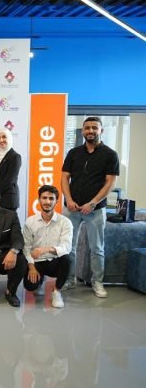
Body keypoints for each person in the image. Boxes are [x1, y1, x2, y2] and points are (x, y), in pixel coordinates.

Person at [61, 116, 119, 298]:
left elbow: (110, 183)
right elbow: (64, 177)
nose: (90, 131)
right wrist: (68, 199)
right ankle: (69, 279)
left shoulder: (110, 155)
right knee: (68, 247)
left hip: (96, 210)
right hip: (72, 208)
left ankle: (97, 282)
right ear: (83, 131)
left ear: (101, 130)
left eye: (94, 127)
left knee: (97, 248)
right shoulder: (73, 153)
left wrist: (93, 203)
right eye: (87, 128)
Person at [23, 185, 73, 308]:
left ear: (57, 201)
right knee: (30, 286)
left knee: (66, 259)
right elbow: (26, 247)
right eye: (44, 198)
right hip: (36, 262)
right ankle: (40, 281)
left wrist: (45, 249)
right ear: (39, 200)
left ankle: (56, 292)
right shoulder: (30, 221)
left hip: (54, 261)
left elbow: (66, 247)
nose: (47, 202)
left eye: (51, 198)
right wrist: (31, 267)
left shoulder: (65, 222)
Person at [0, 128, 21, 211]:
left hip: (8, 199)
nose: (1, 140)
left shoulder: (15, 156)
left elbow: (9, 180)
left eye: (4, 137)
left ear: (9, 138)